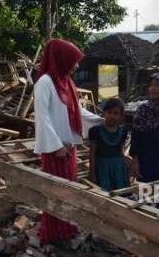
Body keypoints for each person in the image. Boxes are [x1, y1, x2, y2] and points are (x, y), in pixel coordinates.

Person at [33, 38, 103, 244]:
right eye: (74, 60)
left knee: (69, 191)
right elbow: (42, 117)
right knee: (56, 193)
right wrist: (55, 145)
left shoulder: (66, 82)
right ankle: (54, 233)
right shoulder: (45, 82)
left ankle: (67, 229)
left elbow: (76, 111)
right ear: (62, 59)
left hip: (68, 148)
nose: (77, 65)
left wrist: (101, 120)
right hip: (56, 150)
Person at [88, 98, 130, 191]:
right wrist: (92, 173)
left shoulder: (123, 132)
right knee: (103, 195)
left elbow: (121, 152)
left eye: (115, 113)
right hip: (102, 169)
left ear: (121, 116)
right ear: (104, 113)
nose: (112, 116)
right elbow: (92, 154)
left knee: (120, 196)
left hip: (118, 169)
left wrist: (130, 164)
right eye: (109, 112)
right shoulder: (95, 131)